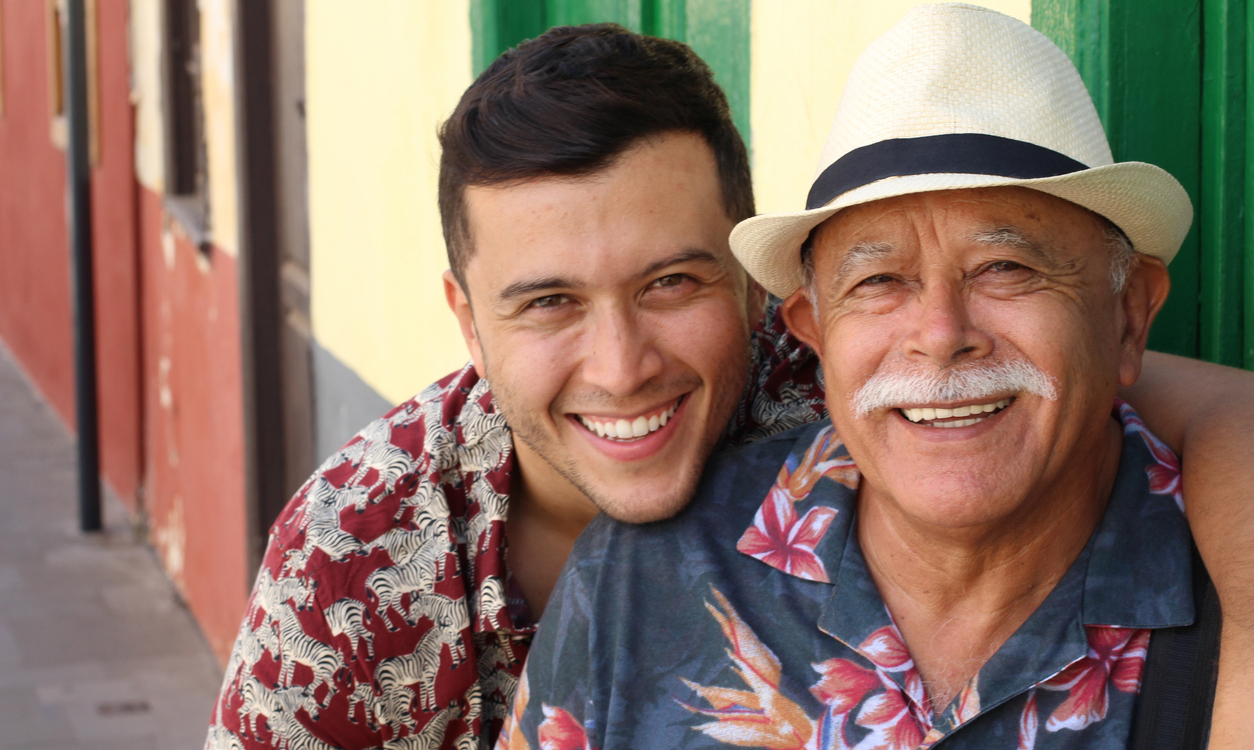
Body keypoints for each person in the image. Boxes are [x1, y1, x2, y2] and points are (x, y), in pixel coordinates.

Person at [206, 20, 1254, 750]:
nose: (622, 366)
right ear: (465, 320)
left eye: (672, 282)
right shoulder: (350, 563)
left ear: (763, 310)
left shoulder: (855, 370)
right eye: (547, 303)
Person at [502, 6, 1240, 749]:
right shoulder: (640, 582)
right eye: (880, 280)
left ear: (1130, 315)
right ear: (814, 334)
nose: (941, 336)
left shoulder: (1227, 574)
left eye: (1006, 268)